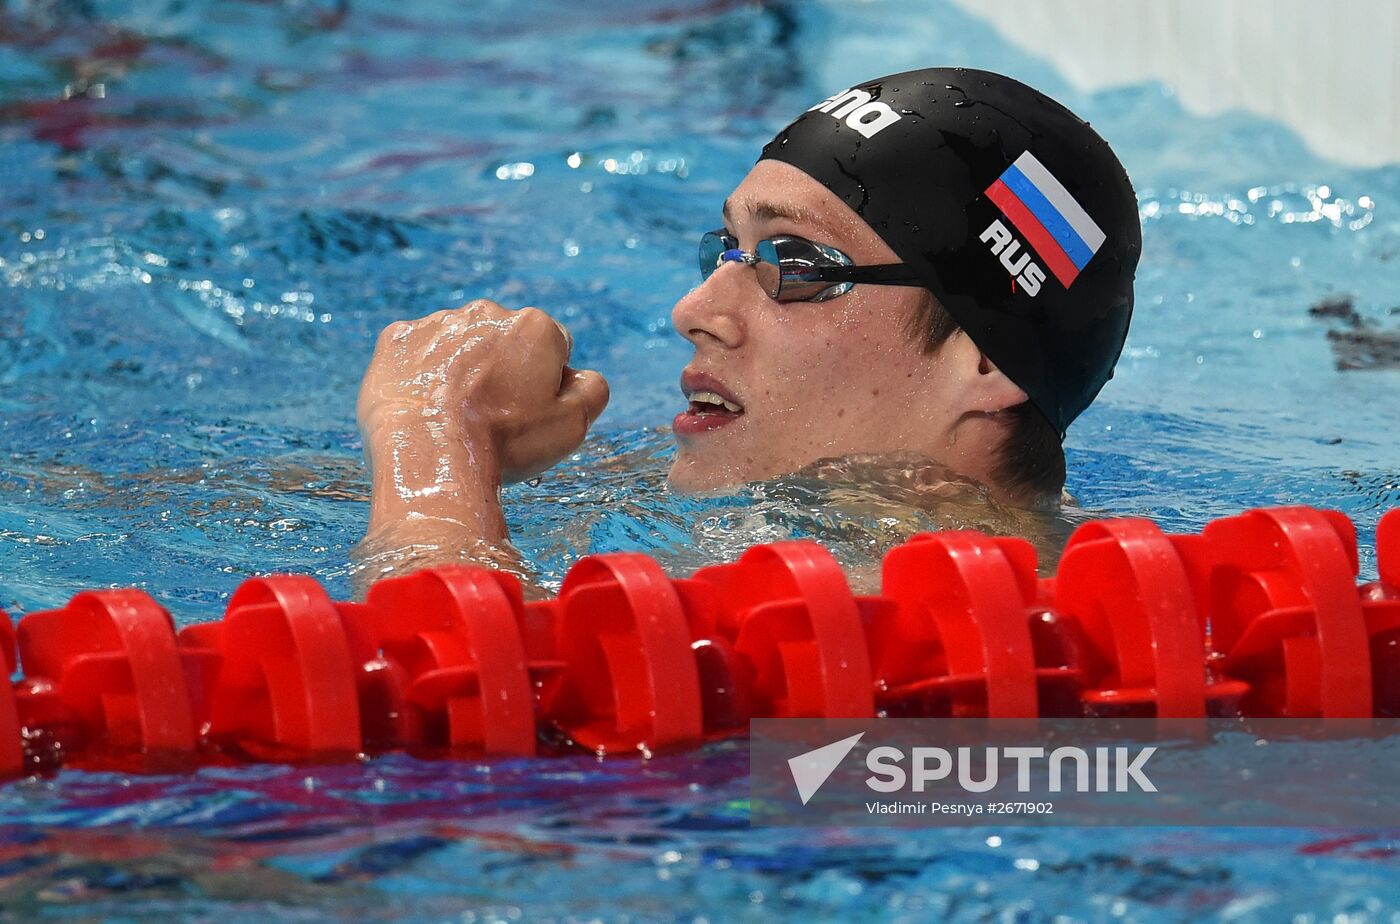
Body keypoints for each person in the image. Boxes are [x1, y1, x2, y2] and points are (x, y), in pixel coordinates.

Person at [353, 67, 1142, 587]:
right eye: (727, 250)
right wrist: (476, 460)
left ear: (985, 358)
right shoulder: (806, 515)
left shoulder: (965, 622)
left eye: (796, 264)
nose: (694, 313)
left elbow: (461, 708)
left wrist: (431, 437)